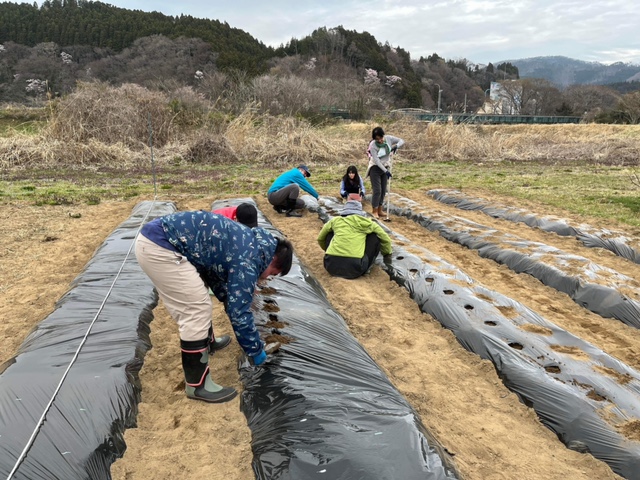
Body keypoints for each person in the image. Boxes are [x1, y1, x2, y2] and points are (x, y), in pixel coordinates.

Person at [135, 210, 293, 404]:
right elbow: (239, 312)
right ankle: (197, 386)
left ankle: (207, 342)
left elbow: (215, 275)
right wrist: (255, 350)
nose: (268, 277)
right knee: (196, 309)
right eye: (273, 273)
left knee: (200, 296)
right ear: (273, 259)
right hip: (161, 247)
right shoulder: (249, 259)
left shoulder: (251, 244)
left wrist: (233, 295)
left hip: (160, 241)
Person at [317, 197, 392, 279]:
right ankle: (367, 269)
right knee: (374, 237)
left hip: (330, 266)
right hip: (355, 269)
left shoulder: (335, 221)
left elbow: (320, 238)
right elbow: (385, 239)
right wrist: (387, 253)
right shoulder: (367, 223)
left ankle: (334, 255)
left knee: (329, 234)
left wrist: (328, 250)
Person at [365, 127, 405, 218]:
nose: (379, 140)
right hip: (375, 168)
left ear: (383, 135)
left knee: (383, 190)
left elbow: (402, 140)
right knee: (377, 190)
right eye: (377, 139)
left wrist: (396, 146)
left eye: (380, 138)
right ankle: (374, 210)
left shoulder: (389, 139)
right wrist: (385, 171)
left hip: (386, 166)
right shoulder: (373, 145)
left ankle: (380, 210)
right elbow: (377, 161)